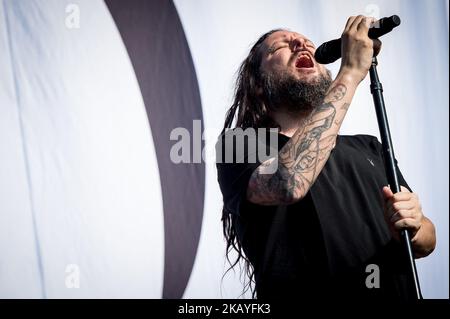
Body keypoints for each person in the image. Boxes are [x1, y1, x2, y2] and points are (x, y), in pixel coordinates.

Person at [216, 16, 436, 299]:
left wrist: (414, 225)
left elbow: (427, 241)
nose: (301, 43)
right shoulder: (239, 144)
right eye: (280, 47)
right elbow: (288, 183)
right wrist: (351, 72)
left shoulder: (369, 147)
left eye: (308, 43)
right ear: (258, 83)